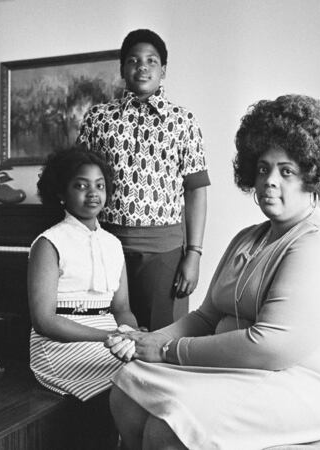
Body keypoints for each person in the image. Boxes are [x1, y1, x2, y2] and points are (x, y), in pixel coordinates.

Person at [105, 95, 320, 449]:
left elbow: (271, 348)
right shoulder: (247, 238)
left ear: (313, 175)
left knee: (169, 429)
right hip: (267, 371)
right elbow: (205, 317)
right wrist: (146, 341)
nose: (270, 181)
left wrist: (168, 351)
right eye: (263, 168)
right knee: (128, 388)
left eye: (286, 170)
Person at [77, 29, 210, 330]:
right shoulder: (98, 117)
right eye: (134, 60)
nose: (143, 66)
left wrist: (194, 255)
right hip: (106, 245)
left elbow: (196, 191)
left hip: (165, 254)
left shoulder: (183, 121)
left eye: (152, 60)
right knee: (108, 335)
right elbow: (79, 183)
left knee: (159, 340)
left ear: (163, 70)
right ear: (122, 68)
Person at [27, 146, 137, 402]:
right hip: (60, 348)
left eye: (99, 186)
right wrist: (109, 337)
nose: (93, 194)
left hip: (110, 341)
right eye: (81, 186)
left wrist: (131, 336)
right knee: (121, 389)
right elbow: (44, 322)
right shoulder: (49, 242)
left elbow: (122, 309)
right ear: (61, 193)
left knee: (151, 378)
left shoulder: (113, 243)